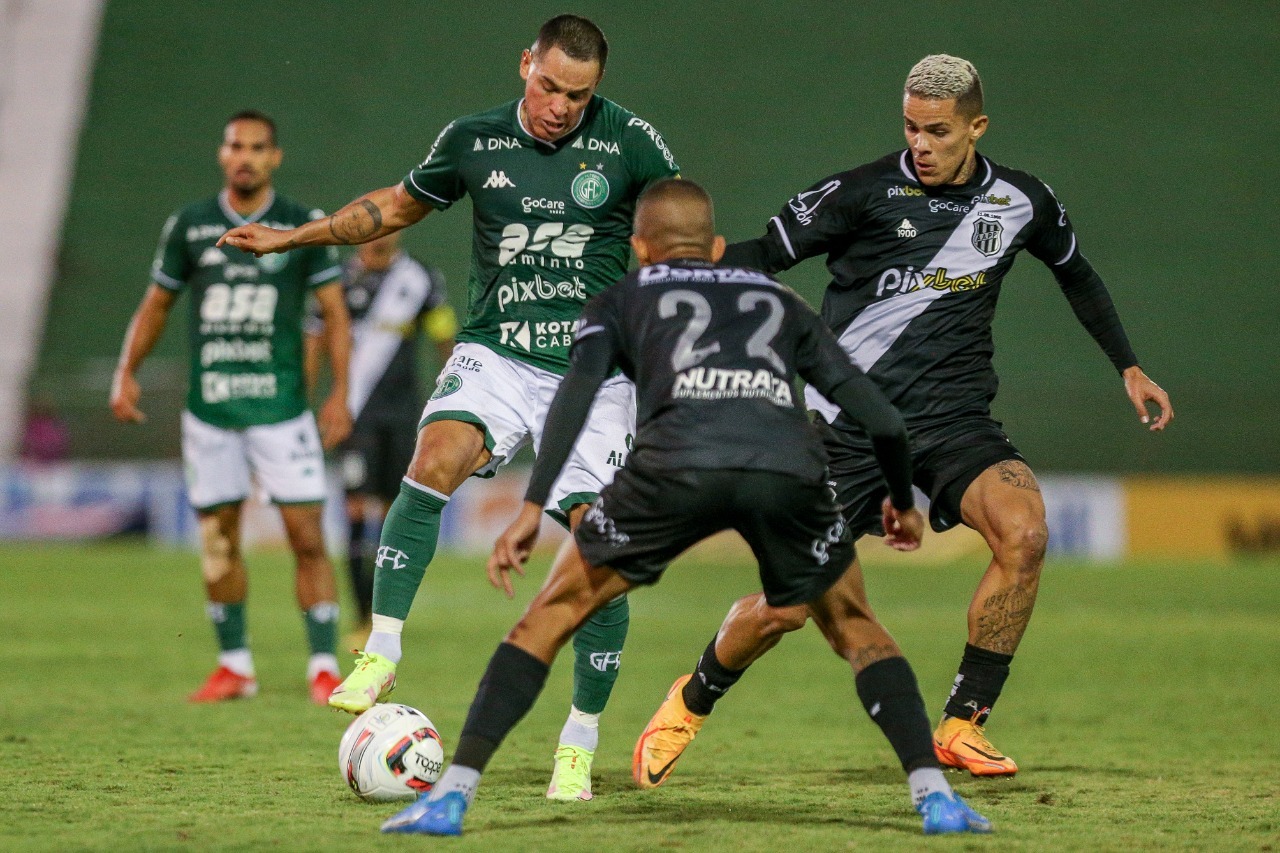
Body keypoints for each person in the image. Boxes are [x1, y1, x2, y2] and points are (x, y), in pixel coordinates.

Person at [380, 179, 992, 837]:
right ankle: (935, 798)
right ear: (719, 248)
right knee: (855, 624)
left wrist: (533, 505)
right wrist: (901, 501)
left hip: (673, 469)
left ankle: (451, 797)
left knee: (550, 614)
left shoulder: (617, 298)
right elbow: (883, 420)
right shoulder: (780, 300)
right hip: (783, 467)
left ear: (639, 248)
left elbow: (574, 400)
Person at [652, 54, 1175, 778]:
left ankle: (963, 722)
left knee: (1024, 532)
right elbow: (765, 254)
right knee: (790, 607)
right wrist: (682, 272)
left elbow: (1075, 274)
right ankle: (692, 697)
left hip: (956, 420)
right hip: (847, 426)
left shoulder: (1021, 201)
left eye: (938, 130)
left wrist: (1129, 365)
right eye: (910, 127)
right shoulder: (861, 193)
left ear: (976, 127)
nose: (921, 144)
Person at [217, 15, 680, 800]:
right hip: (496, 349)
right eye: (548, 86)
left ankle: (579, 739)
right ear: (524, 63)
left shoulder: (633, 143)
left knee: (599, 551)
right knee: (430, 464)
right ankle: (383, 647)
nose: (560, 106)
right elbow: (394, 208)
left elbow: (680, 232)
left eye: (578, 94)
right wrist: (294, 238)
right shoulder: (473, 139)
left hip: (595, 368)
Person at [110, 110, 353, 705]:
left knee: (307, 538)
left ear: (275, 158)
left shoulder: (303, 223)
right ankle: (236, 666)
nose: (245, 156)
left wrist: (341, 393)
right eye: (235, 146)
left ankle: (323, 665)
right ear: (222, 154)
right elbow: (157, 305)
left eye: (257, 148)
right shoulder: (190, 225)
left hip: (282, 409)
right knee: (218, 539)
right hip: (211, 410)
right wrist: (126, 371)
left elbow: (335, 312)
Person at [304, 232, 456, 644]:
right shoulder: (336, 281)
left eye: (389, 225)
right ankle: (360, 618)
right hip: (354, 414)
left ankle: (386, 619)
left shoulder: (421, 278)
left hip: (404, 414)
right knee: (355, 511)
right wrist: (306, 400)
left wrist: (457, 393)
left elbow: (446, 337)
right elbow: (314, 340)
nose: (381, 234)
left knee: (395, 515)